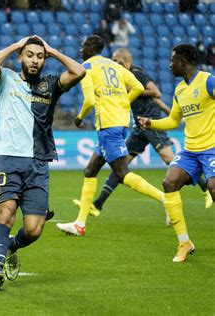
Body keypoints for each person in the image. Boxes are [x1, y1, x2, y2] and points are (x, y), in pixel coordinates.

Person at [0, 35, 86, 290]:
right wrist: (14, 46)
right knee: (5, 213)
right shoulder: (6, 79)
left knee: (33, 230)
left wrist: (53, 50)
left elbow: (79, 71)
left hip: (39, 162)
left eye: (40, 57)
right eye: (30, 55)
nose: (34, 60)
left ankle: (9, 247)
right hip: (7, 159)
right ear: (21, 56)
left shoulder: (51, 85)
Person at [72, 47, 212, 220]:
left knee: (169, 159)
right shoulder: (119, 75)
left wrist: (164, 113)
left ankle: (205, 188)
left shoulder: (137, 73)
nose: (114, 63)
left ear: (127, 60)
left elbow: (156, 93)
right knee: (121, 168)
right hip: (140, 126)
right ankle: (98, 204)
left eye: (117, 60)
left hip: (151, 122)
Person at [56, 35, 164, 237]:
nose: (80, 49)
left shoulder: (87, 67)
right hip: (121, 121)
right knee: (90, 171)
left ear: (89, 47)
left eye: (83, 45)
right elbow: (139, 88)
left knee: (122, 173)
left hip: (108, 125)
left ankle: (165, 199)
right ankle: (79, 223)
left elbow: (88, 101)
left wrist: (79, 118)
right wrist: (124, 100)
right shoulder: (114, 65)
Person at [138, 44, 214, 263]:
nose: (169, 64)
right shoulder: (180, 90)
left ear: (183, 62)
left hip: (212, 148)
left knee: (213, 188)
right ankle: (184, 242)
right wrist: (151, 123)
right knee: (169, 182)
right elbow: (173, 120)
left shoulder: (208, 81)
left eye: (172, 60)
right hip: (191, 150)